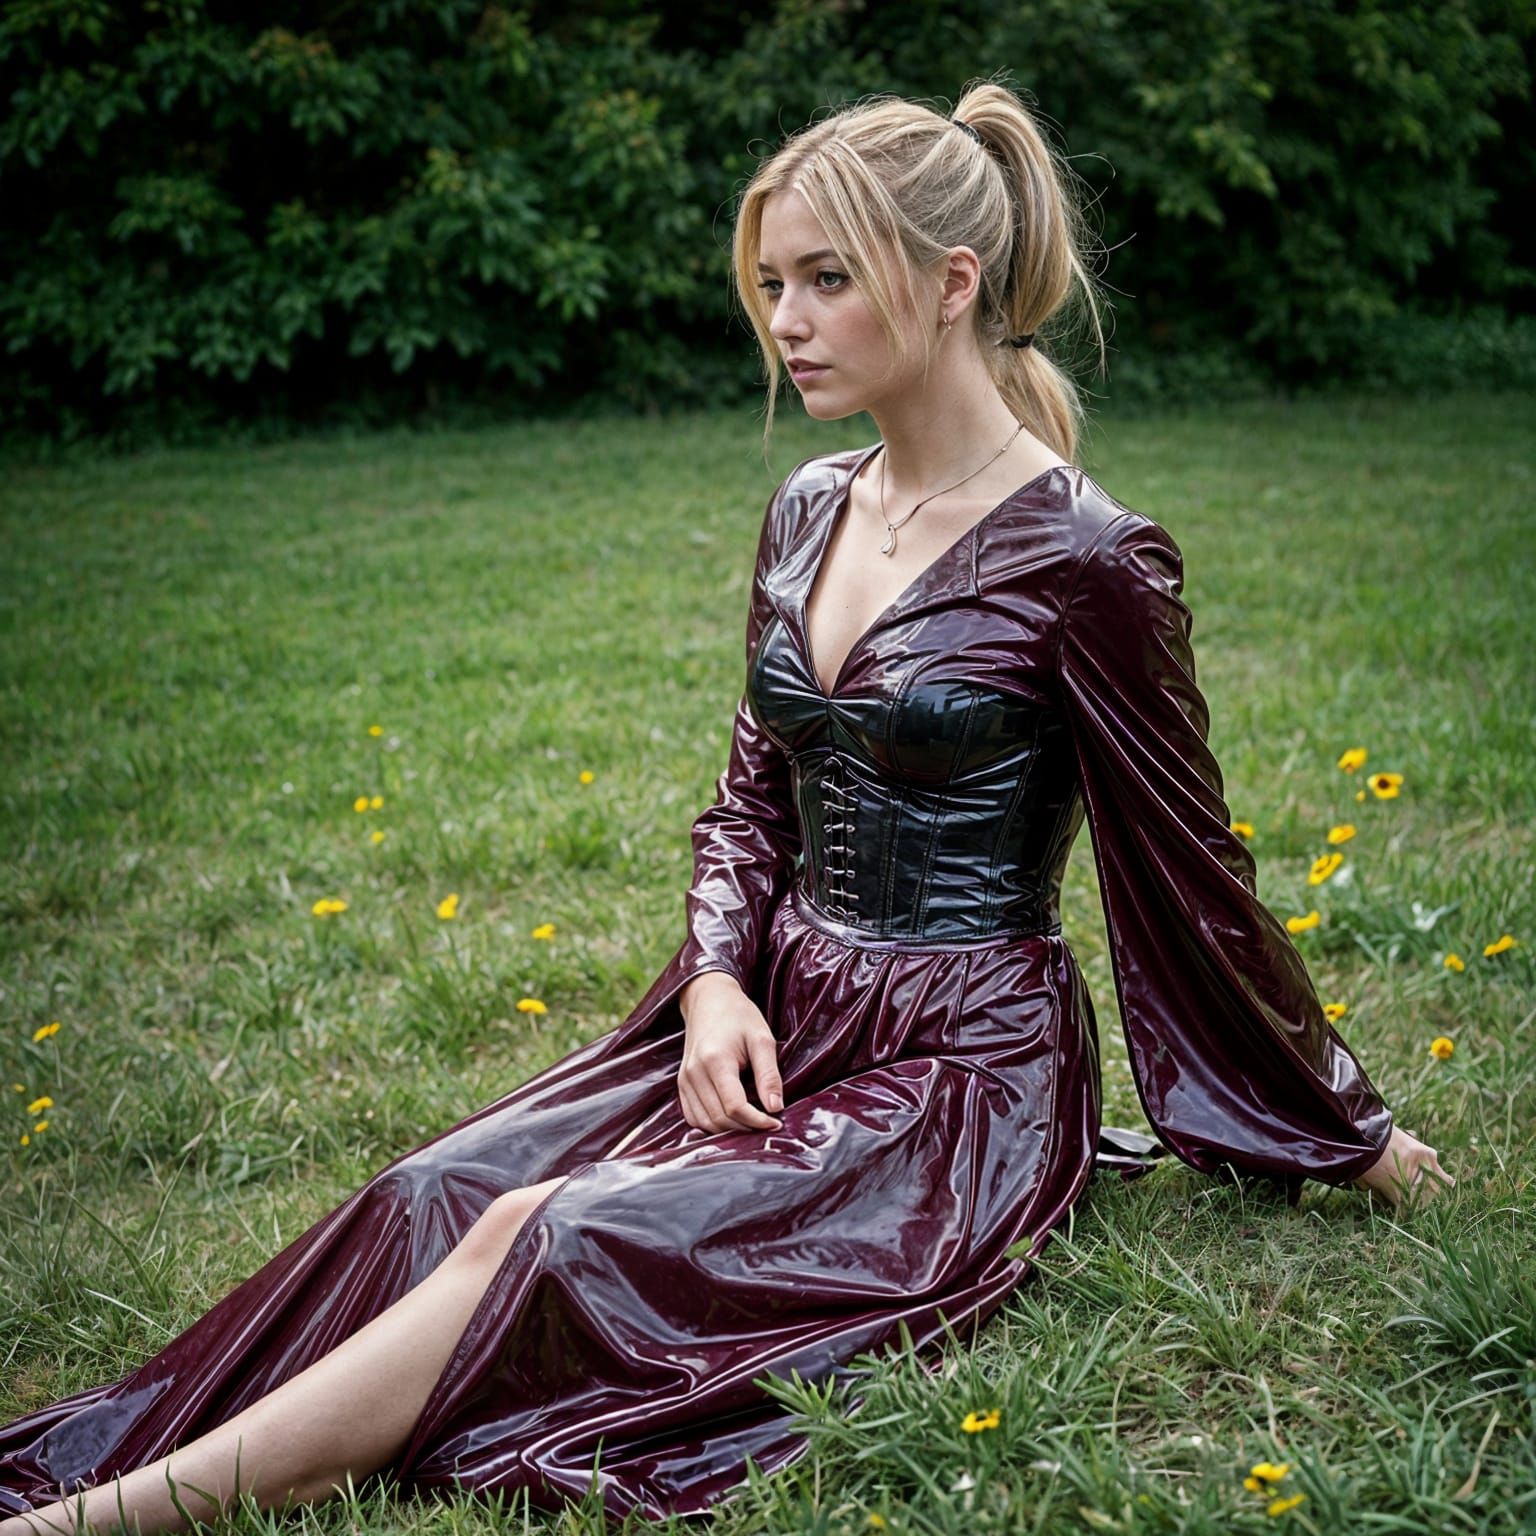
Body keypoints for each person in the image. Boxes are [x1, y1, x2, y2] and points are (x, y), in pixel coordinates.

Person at [0, 77, 1453, 1536]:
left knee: (550, 1237)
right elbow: (748, 803)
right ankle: (130, 1456)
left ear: (952, 284)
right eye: (773, 283)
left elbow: (1194, 873)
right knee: (434, 1190)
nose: (789, 320)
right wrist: (709, 986)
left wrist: (1345, 1126)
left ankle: (113, 1521)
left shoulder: (1093, 559)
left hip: (964, 1073)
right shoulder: (811, 505)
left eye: (828, 279)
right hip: (776, 1012)